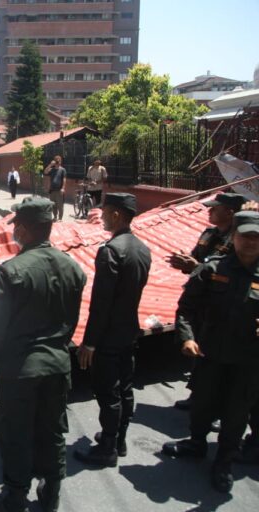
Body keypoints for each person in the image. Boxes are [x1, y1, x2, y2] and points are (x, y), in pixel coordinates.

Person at [0, 197, 85, 512]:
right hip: (57, 365)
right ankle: (51, 495)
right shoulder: (73, 268)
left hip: (20, 370)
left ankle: (15, 496)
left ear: (22, 229)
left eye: (16, 227)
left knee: (16, 433)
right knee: (53, 431)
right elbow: (72, 321)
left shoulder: (11, 271)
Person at [161, 210, 259, 492]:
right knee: (203, 405)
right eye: (245, 236)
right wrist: (186, 338)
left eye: (257, 237)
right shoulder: (213, 269)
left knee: (236, 414)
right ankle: (196, 443)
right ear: (234, 237)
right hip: (210, 355)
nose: (251, 242)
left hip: (248, 362)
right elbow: (186, 308)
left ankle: (224, 462)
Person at [75, 193, 151, 467]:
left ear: (116, 215)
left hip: (108, 335)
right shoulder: (142, 248)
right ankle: (119, 439)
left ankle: (107, 447)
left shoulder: (111, 251)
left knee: (108, 392)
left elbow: (101, 304)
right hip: (129, 330)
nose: (102, 217)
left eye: (105, 212)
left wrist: (89, 343)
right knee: (126, 388)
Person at [166, 192, 246, 414]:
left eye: (215, 208)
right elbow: (197, 260)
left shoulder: (239, 240)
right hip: (200, 302)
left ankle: (220, 407)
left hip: (223, 305)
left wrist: (196, 267)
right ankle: (198, 395)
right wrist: (185, 263)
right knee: (200, 352)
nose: (209, 211)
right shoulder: (209, 233)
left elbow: (231, 273)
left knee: (220, 359)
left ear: (229, 212)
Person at [44, 156, 66, 222]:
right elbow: (45, 172)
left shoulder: (62, 170)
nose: (58, 162)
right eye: (56, 160)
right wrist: (50, 165)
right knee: (53, 205)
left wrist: (63, 188)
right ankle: (55, 217)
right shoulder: (52, 169)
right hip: (52, 190)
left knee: (60, 205)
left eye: (59, 160)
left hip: (59, 190)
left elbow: (64, 179)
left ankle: (60, 218)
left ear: (60, 161)